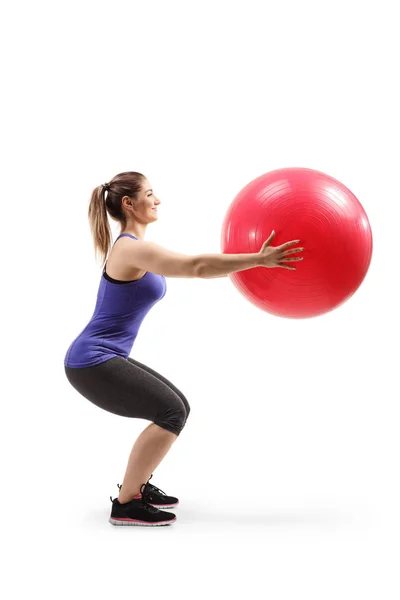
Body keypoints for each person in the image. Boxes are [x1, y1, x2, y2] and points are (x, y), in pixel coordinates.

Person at [64, 171, 303, 527]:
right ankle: (127, 502)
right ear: (129, 204)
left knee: (179, 407)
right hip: (91, 361)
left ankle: (138, 486)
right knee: (170, 411)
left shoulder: (134, 248)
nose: (157, 199)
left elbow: (202, 268)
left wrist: (253, 264)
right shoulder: (131, 248)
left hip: (103, 356)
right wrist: (259, 259)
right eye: (149, 193)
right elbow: (196, 266)